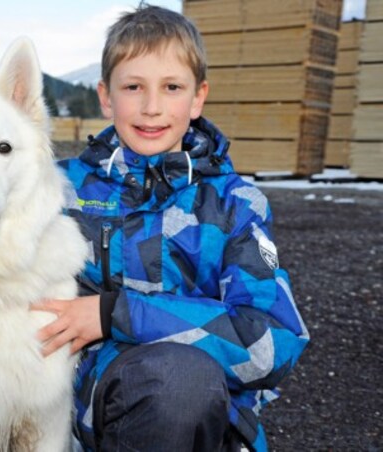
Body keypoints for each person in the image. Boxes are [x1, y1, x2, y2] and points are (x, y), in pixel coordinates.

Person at [33, 5, 309, 452]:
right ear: (106, 96)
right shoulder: (55, 188)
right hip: (81, 406)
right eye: (133, 87)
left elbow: (270, 343)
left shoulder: (236, 206)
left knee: (180, 379)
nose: (151, 108)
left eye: (172, 87)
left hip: (194, 411)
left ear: (198, 97)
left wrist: (113, 314)